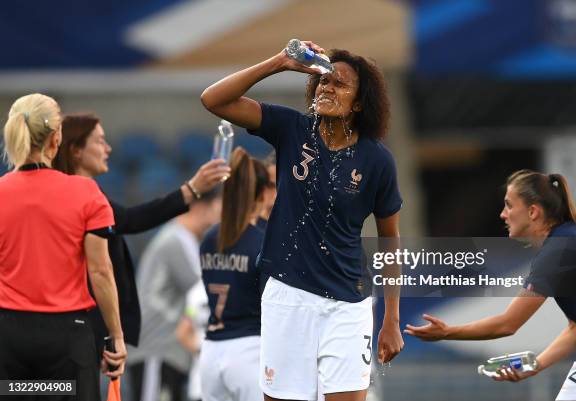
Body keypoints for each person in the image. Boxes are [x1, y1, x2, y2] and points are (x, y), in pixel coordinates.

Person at [201, 41, 404, 401]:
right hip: (287, 297)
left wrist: (391, 317)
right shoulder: (292, 128)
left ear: (359, 103)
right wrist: (278, 63)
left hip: (348, 304)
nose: (327, 87)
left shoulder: (377, 161)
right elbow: (213, 100)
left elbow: (390, 240)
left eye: (339, 84)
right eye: (324, 81)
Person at [405, 169, 576, 401]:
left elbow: (507, 324)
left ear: (533, 211)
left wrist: (447, 332)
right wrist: (534, 365)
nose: (503, 214)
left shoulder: (557, 251)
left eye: (509, 206)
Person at [53, 112, 230, 357]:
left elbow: (128, 219)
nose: (108, 148)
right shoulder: (68, 199)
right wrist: (192, 189)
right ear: (76, 150)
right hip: (70, 325)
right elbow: (128, 225)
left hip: (79, 326)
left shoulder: (90, 196)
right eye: (100, 141)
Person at [0, 94, 126, 401]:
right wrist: (117, 336)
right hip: (66, 339)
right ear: (57, 138)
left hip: (7, 337)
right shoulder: (85, 193)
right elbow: (100, 270)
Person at [127, 187, 222, 401]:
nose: (220, 214)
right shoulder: (177, 240)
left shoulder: (186, 240)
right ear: (199, 206)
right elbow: (205, 286)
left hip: (170, 351)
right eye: (218, 205)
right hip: (156, 348)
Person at [198, 147, 270, 401]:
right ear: (262, 194)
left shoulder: (209, 238)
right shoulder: (262, 243)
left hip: (210, 351)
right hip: (249, 347)